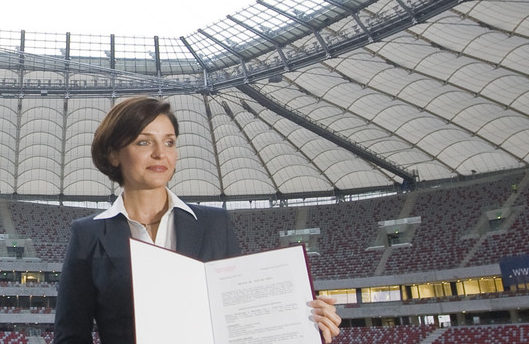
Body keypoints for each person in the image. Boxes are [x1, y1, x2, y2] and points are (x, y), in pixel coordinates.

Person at [54, 96, 341, 343]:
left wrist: (304, 322)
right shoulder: (88, 235)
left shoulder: (215, 224)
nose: (160, 154)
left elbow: (240, 318)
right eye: (144, 142)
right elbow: (70, 337)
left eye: (169, 142)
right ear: (114, 154)